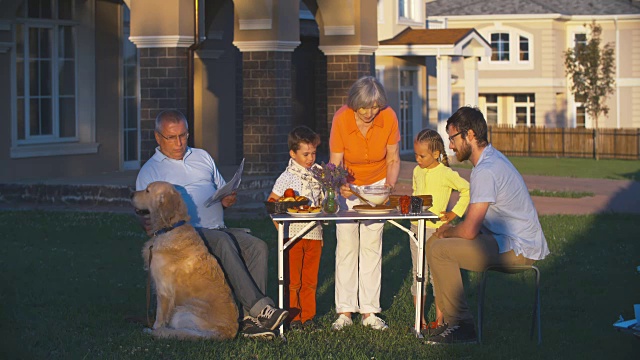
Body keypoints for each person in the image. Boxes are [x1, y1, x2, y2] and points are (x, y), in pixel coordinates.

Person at [135, 109, 288, 340]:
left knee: (257, 246)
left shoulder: (202, 157)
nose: (179, 143)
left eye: (184, 135)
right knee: (224, 242)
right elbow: (145, 215)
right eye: (172, 137)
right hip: (185, 237)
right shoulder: (151, 171)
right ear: (158, 138)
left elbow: (220, 190)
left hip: (217, 228)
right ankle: (261, 309)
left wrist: (226, 200)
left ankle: (249, 320)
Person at [425, 106, 550, 345]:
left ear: (469, 135)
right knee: (435, 243)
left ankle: (462, 326)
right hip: (506, 240)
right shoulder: (490, 160)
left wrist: (448, 231)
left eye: (452, 138)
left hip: (519, 249)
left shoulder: (486, 170)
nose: (450, 146)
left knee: (441, 248)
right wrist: (447, 233)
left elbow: (470, 230)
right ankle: (448, 323)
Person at [328, 76, 401, 331]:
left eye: (375, 107)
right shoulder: (341, 119)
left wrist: (388, 187)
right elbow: (335, 162)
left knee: (372, 245)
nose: (370, 112)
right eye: (365, 107)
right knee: (347, 245)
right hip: (348, 185)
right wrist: (340, 185)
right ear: (353, 104)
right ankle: (345, 312)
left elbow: (393, 158)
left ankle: (370, 312)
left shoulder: (389, 117)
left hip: (377, 184)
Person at [410, 129, 470, 337]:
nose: (417, 159)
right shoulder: (417, 171)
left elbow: (467, 190)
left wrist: (454, 214)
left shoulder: (446, 173)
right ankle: (420, 320)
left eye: (422, 156)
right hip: (416, 228)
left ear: (436, 154)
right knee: (418, 274)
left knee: (438, 276)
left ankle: (440, 319)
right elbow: (414, 195)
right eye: (416, 155)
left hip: (436, 232)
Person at [267, 126, 324, 332]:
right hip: (293, 234)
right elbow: (272, 203)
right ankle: (293, 317)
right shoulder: (287, 177)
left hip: (314, 233)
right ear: (293, 153)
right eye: (305, 154)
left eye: (313, 153)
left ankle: (308, 317)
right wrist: (281, 232)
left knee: (310, 279)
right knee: (293, 281)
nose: (310, 158)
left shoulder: (318, 173)